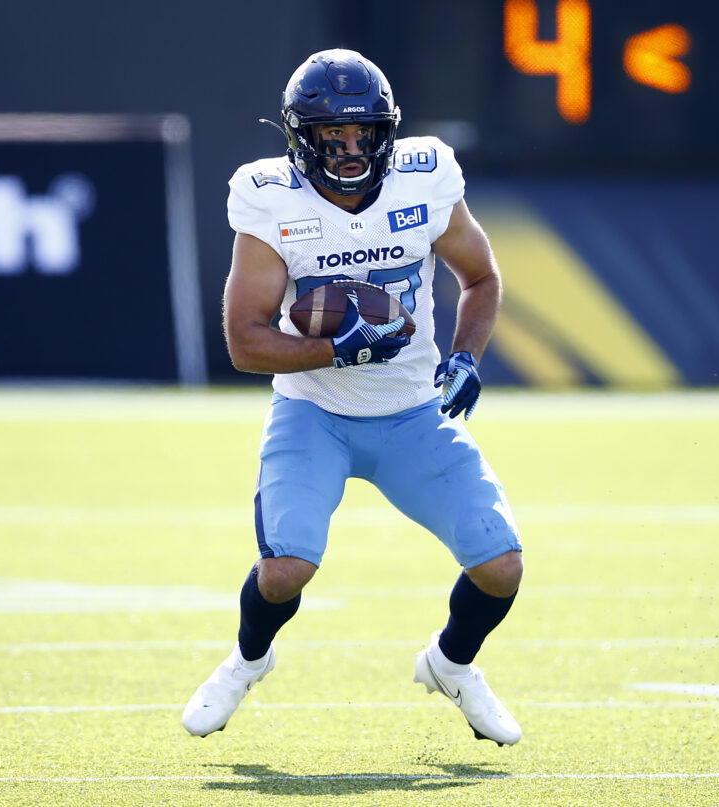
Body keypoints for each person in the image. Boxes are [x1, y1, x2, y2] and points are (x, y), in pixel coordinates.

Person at [181, 48, 523, 746]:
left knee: (501, 566)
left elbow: (481, 277)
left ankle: (452, 663)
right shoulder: (268, 197)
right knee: (284, 572)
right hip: (315, 411)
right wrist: (340, 347)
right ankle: (249, 658)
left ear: (386, 132)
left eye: (364, 134)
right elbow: (245, 341)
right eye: (332, 136)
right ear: (300, 138)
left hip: (412, 412)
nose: (349, 149)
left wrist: (465, 355)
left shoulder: (424, 180)